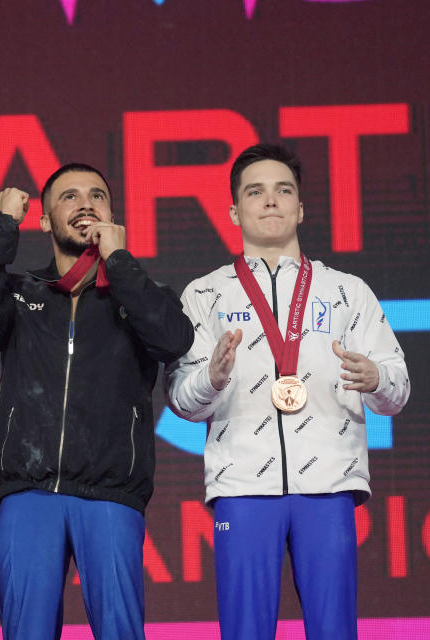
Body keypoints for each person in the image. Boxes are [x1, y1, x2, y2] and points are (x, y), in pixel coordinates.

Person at [165, 143, 410, 640]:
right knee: (245, 631)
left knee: (334, 629)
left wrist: (376, 379)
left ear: (300, 208)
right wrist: (211, 377)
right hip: (241, 486)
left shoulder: (347, 290)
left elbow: (398, 390)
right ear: (234, 210)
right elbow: (180, 402)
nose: (271, 201)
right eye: (255, 192)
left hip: (330, 482)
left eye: (284, 191)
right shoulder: (205, 293)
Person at [0, 163, 194, 639]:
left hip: (110, 492)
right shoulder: (21, 294)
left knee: (121, 631)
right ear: (43, 221)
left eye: (97, 196)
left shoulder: (140, 295)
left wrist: (119, 261)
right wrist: (3, 222)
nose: (85, 203)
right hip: (29, 492)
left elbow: (173, 339)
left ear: (113, 215)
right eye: (69, 197)